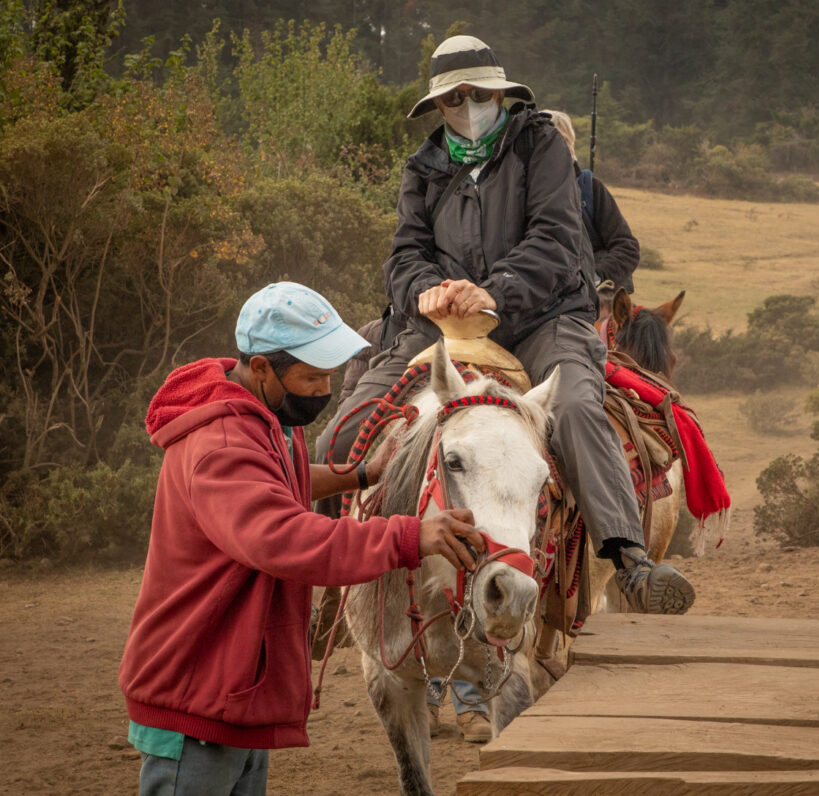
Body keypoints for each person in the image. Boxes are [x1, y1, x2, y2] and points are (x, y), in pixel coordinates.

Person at [315, 34, 696, 619]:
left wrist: (494, 290)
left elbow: (558, 239)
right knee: (344, 434)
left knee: (574, 406)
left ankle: (629, 558)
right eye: (454, 97)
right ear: (438, 106)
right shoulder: (422, 168)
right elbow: (405, 253)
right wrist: (427, 290)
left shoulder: (540, 146)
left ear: (501, 94)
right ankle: (322, 580)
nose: (467, 106)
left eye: (479, 94)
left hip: (542, 316)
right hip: (443, 325)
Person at [119, 282, 485, 796]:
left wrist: (362, 474)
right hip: (196, 699)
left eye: (329, 376)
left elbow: (279, 478)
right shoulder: (220, 444)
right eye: (312, 377)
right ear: (262, 368)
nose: (323, 390)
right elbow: (285, 539)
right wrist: (408, 536)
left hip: (232, 689)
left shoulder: (264, 416)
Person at [544, 109, 641, 292]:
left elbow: (627, 248)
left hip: (598, 298)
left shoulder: (589, 188)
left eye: (559, 143)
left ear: (570, 148)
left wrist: (595, 277)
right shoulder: (520, 192)